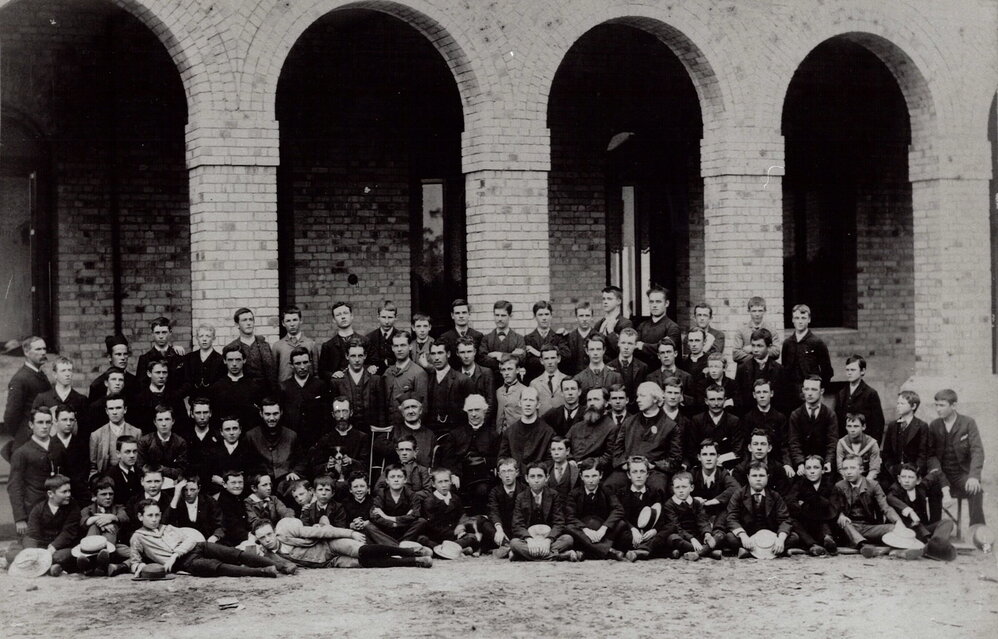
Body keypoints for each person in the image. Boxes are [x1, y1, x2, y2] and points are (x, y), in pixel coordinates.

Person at [128, 500, 280, 578]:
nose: (154, 519)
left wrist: (175, 554)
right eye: (150, 515)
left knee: (233, 553)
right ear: (140, 516)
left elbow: (190, 540)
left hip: (197, 548)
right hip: (185, 563)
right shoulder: (138, 537)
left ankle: (281, 565)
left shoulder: (167, 527)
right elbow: (135, 562)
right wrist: (144, 568)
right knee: (218, 567)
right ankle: (263, 571)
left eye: (157, 515)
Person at [253, 518, 431, 570]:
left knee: (363, 551)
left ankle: (410, 552)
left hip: (330, 545)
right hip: (329, 562)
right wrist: (265, 556)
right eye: (262, 538)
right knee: (366, 563)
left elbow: (323, 532)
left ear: (273, 531)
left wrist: (350, 532)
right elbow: (289, 568)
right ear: (258, 540)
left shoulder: (287, 530)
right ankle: (414, 562)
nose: (268, 539)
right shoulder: (270, 555)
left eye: (269, 534)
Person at [605, 381, 682, 493]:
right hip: (628, 469)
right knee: (609, 486)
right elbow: (617, 452)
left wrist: (653, 465)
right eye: (637, 396)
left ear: (655, 399)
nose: (637, 400)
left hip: (654, 471)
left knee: (657, 488)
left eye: (642, 396)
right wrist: (625, 465)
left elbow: (675, 459)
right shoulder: (628, 422)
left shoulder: (670, 426)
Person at [926, 389, 986, 527]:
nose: (938, 409)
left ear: (954, 406)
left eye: (942, 405)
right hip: (941, 474)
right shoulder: (934, 425)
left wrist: (974, 476)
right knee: (932, 489)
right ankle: (935, 530)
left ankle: (976, 531)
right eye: (936, 405)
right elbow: (931, 456)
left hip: (961, 474)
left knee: (976, 490)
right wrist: (942, 483)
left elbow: (977, 450)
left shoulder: (968, 423)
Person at [4, 475, 80, 575]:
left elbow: (68, 532)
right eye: (64, 492)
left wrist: (53, 547)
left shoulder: (73, 507)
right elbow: (32, 534)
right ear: (50, 494)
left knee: (61, 556)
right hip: (41, 547)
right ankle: (50, 567)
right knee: (12, 554)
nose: (68, 494)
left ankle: (49, 567)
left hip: (61, 547)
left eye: (69, 491)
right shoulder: (39, 509)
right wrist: (33, 553)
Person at [9, 408, 67, 536]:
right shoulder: (22, 452)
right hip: (34, 508)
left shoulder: (58, 447)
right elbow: (15, 486)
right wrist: (20, 518)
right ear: (31, 425)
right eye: (40, 422)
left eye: (48, 422)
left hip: (59, 508)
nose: (45, 426)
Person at [722, 461, 798, 558]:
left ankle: (749, 553)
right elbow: (731, 518)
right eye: (754, 476)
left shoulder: (775, 496)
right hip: (749, 537)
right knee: (730, 537)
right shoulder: (739, 495)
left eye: (762, 475)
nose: (758, 479)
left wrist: (780, 539)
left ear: (767, 477)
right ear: (748, 477)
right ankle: (777, 552)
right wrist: (743, 535)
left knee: (794, 537)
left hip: (770, 537)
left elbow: (785, 519)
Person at [438, 394, 499, 515]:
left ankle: (479, 522)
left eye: (477, 410)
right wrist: (453, 474)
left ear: (484, 411)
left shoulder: (493, 435)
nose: (474, 414)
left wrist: (486, 462)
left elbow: (497, 457)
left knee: (482, 490)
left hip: (483, 476)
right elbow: (447, 459)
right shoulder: (456, 433)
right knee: (450, 490)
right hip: (460, 475)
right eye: (470, 410)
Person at [833, 454, 903, 553]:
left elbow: (885, 507)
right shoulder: (839, 486)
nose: (848, 472)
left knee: (893, 529)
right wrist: (840, 515)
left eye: (852, 468)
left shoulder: (873, 485)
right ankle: (864, 545)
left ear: (861, 469)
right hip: (849, 527)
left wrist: (898, 522)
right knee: (844, 523)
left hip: (869, 528)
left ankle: (861, 545)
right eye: (845, 468)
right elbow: (835, 507)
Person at [509, 462, 576, 561]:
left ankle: (522, 555)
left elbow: (559, 522)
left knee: (568, 539)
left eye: (540, 476)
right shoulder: (521, 497)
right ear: (527, 478)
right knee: (514, 543)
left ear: (547, 477)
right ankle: (561, 556)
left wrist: (548, 540)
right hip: (530, 540)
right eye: (532, 476)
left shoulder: (554, 495)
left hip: (549, 539)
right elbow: (517, 524)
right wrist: (529, 539)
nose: (536, 480)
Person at [887, 463, 957, 555]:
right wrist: (910, 512)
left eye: (911, 477)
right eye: (903, 477)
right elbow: (890, 498)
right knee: (917, 528)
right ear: (899, 479)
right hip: (906, 530)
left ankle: (933, 545)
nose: (906, 481)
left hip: (923, 528)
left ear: (918, 480)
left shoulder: (922, 486)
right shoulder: (895, 489)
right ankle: (934, 547)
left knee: (947, 522)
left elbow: (937, 473)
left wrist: (946, 493)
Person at [564, 459, 626, 560]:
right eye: (587, 476)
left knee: (621, 523)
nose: (591, 480)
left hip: (602, 532)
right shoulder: (574, 494)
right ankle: (608, 551)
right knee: (569, 527)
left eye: (594, 476)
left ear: (600, 475)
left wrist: (603, 529)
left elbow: (618, 509)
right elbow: (570, 516)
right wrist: (586, 530)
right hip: (584, 533)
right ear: (581, 476)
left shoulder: (607, 491)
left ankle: (588, 552)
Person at [244, 398, 304, 498]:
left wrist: (295, 472)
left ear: (281, 413)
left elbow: (301, 460)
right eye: (267, 414)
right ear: (261, 414)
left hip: (286, 482)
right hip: (261, 483)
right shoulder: (251, 436)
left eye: (275, 413)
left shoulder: (291, 435)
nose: (272, 418)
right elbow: (247, 464)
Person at [612, 456, 666, 561]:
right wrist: (633, 529)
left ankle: (640, 551)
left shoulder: (655, 493)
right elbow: (621, 516)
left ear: (648, 474)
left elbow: (661, 517)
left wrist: (654, 530)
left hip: (649, 534)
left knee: (666, 532)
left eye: (642, 472)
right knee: (620, 534)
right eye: (635, 472)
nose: (639, 475)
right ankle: (647, 550)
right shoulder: (621, 494)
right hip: (631, 533)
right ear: (628, 475)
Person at [414, 468, 478, 555]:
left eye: (446, 481)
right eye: (440, 482)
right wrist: (453, 532)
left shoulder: (455, 498)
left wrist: (461, 525)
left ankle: (447, 550)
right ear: (433, 484)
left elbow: (462, 515)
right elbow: (432, 526)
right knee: (421, 539)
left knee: (472, 537)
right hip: (436, 537)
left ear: (451, 482)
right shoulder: (429, 501)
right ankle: (451, 549)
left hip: (454, 537)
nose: (444, 485)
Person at [786, 455, 840, 556]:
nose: (812, 471)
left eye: (816, 468)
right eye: (808, 468)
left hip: (823, 522)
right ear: (804, 471)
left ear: (823, 470)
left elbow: (832, 509)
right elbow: (790, 502)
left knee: (824, 523)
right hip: (805, 523)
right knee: (793, 522)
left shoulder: (829, 486)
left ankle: (828, 539)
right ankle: (813, 545)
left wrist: (807, 502)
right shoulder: (799, 484)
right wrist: (806, 507)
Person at [3, 336, 51, 451]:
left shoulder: (40, 375)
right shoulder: (20, 379)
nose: (43, 352)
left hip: (41, 436)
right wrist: (22, 434)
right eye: (38, 349)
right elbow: (11, 416)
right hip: (27, 440)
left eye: (44, 349)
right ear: (26, 352)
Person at [780, 304, 833, 404]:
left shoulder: (817, 343)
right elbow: (785, 369)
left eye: (803, 318)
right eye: (797, 318)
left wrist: (818, 389)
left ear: (809, 320)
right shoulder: (787, 343)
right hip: (791, 393)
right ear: (792, 320)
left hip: (810, 393)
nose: (800, 321)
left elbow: (827, 371)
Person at [310, 397, 370, 483]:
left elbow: (365, 466)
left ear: (351, 413)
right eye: (337, 412)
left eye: (345, 411)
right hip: (330, 484)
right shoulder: (325, 439)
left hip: (355, 482)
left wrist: (351, 461)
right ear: (333, 415)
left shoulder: (362, 437)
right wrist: (327, 465)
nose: (341, 416)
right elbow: (315, 468)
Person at [330, 338, 383, 435]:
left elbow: (381, 411)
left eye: (360, 355)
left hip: (370, 431)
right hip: (347, 432)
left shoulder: (375, 379)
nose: (357, 360)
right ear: (347, 356)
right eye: (353, 356)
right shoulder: (337, 381)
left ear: (365, 356)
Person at [690, 439, 740, 542]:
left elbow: (736, 488)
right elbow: (677, 488)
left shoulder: (722, 473)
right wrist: (693, 499)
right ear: (699, 457)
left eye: (712, 454)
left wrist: (714, 500)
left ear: (718, 457)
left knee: (727, 508)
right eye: (705, 454)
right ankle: (710, 543)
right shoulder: (694, 473)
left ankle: (715, 538)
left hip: (718, 515)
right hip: (699, 516)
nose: (708, 458)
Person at [660, 472, 717, 560]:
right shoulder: (669, 504)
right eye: (677, 487)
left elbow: (702, 521)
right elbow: (676, 526)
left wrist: (707, 533)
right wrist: (691, 539)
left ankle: (693, 551)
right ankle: (706, 551)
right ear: (673, 489)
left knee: (717, 535)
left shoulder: (696, 503)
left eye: (684, 487)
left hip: (696, 535)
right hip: (680, 535)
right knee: (672, 538)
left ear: (691, 488)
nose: (681, 490)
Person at [788, 375, 838, 475]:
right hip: (802, 468)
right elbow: (794, 442)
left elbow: (832, 442)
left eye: (814, 389)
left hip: (823, 466)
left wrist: (828, 462)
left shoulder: (829, 415)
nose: (809, 393)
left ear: (822, 391)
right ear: (803, 390)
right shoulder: (796, 415)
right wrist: (800, 463)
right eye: (807, 389)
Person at [740, 379, 793, 474]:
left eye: (765, 392)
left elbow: (784, 445)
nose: (762, 395)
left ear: (771, 393)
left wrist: (787, 464)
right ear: (754, 395)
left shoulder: (780, 417)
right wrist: (747, 465)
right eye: (758, 392)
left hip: (775, 462)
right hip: (754, 463)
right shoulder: (748, 418)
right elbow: (745, 445)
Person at [880, 390, 930, 489]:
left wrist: (915, 471)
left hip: (914, 471)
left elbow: (923, 454)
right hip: (894, 472)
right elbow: (886, 452)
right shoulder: (892, 425)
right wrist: (892, 468)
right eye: (897, 403)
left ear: (913, 406)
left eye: (902, 403)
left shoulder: (921, 426)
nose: (898, 406)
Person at [281, 345, 331, 445]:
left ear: (310, 362)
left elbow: (327, 415)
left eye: (305, 362)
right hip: (292, 441)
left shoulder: (320, 385)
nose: (302, 367)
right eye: (298, 363)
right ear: (291, 365)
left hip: (315, 440)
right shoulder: (284, 387)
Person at [209, 345, 266, 432]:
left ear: (244, 360)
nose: (234, 364)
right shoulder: (216, 387)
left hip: (249, 434)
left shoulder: (254, 386)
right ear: (224, 361)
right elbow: (214, 417)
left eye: (238, 359)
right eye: (230, 360)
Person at [498, 387, 556, 470]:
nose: (528, 404)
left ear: (538, 404)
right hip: (515, 478)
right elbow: (502, 457)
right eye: (525, 400)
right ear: (519, 403)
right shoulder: (510, 432)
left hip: (538, 478)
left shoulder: (548, 432)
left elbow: (550, 459)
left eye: (531, 400)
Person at [685, 385, 742, 469]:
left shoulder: (734, 421)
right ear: (706, 401)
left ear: (725, 400)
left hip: (727, 467)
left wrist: (721, 460)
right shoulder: (697, 420)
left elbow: (738, 449)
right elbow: (692, 449)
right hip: (702, 466)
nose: (716, 403)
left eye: (719, 399)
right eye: (712, 399)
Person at [733, 328, 787, 415]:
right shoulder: (742, 368)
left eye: (759, 346)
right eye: (753, 345)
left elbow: (782, 398)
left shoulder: (779, 369)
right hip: (748, 418)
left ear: (769, 347)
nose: (755, 350)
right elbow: (737, 396)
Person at [367, 464, 425, 545]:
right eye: (392, 477)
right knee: (368, 525)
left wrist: (387, 517)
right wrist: (393, 524)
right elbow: (374, 516)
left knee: (421, 521)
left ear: (405, 480)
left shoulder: (411, 495)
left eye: (399, 476)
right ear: (387, 480)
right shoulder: (382, 494)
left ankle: (395, 545)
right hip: (386, 530)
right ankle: (400, 546)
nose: (396, 480)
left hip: (405, 531)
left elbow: (415, 514)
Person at [79, 475, 131, 566]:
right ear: (94, 496)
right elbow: (83, 522)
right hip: (92, 545)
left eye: (111, 494)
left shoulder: (118, 508)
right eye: (103, 494)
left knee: (112, 527)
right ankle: (96, 562)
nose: (108, 497)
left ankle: (97, 562)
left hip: (113, 544)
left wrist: (112, 517)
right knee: (93, 526)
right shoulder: (88, 509)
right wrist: (100, 520)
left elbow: (124, 518)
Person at [565, 387, 617, 474]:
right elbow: (564, 444)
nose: (592, 403)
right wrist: (570, 458)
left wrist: (586, 464)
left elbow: (609, 457)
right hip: (571, 469)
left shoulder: (611, 427)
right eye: (589, 400)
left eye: (596, 399)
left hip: (594, 472)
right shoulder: (577, 426)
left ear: (606, 403)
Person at [426, 341, 473, 436]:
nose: (436, 357)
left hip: (456, 434)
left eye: (440, 353)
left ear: (448, 354)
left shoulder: (463, 380)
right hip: (433, 433)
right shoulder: (428, 379)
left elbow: (471, 412)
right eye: (433, 354)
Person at [383, 330, 428, 428]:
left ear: (410, 346)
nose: (399, 349)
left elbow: (423, 408)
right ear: (392, 348)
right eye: (396, 346)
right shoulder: (388, 372)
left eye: (403, 345)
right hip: (389, 427)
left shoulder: (418, 373)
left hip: (408, 429)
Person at [207, 417, 263, 495]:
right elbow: (208, 475)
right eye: (227, 429)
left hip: (242, 493)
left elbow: (252, 475)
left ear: (240, 430)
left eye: (235, 428)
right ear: (221, 432)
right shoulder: (212, 450)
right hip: (218, 493)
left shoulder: (249, 450)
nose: (232, 432)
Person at [836, 355, 885, 441]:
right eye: (847, 370)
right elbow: (837, 421)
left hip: (864, 443)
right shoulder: (841, 393)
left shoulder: (870, 394)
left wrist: (872, 446)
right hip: (845, 443)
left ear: (862, 371)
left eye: (853, 370)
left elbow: (878, 424)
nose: (849, 373)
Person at [31, 356, 87, 432]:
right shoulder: (42, 399)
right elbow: (34, 427)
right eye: (63, 370)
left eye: (69, 370)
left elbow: (85, 430)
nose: (67, 374)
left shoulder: (81, 400)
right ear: (55, 374)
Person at [131, 359, 186, 435]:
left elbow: (182, 424)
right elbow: (136, 425)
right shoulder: (140, 399)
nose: (161, 376)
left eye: (164, 373)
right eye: (158, 372)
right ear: (149, 373)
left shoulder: (176, 397)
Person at [481, 458, 523, 557]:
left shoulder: (524, 490)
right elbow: (493, 511)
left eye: (510, 471)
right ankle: (508, 546)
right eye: (503, 472)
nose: (507, 475)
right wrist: (499, 530)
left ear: (517, 472)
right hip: (502, 530)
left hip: (519, 528)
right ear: (499, 475)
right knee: (483, 522)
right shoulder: (495, 492)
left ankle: (508, 548)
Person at [318, 301, 367, 384]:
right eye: (338, 315)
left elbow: (371, 366)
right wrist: (333, 374)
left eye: (345, 313)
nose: (343, 317)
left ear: (352, 316)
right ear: (334, 320)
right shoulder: (328, 346)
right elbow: (322, 372)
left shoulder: (365, 341)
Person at [50, 404, 91, 503]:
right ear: (55, 422)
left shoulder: (82, 445)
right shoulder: (49, 444)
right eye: (64, 420)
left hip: (79, 496)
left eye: (71, 420)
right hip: (55, 496)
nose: (68, 423)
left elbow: (85, 473)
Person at [732, 429, 791, 496]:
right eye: (755, 444)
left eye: (763, 444)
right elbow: (739, 496)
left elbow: (782, 496)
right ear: (749, 447)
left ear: (769, 448)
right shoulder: (740, 470)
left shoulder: (778, 469)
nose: (759, 448)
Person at [634, 285, 683, 365]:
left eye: (658, 301)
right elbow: (634, 346)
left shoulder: (672, 327)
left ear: (666, 303)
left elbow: (666, 348)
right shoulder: (642, 326)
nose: (654, 305)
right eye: (651, 301)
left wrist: (642, 346)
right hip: (644, 372)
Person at [135, 317, 186, 394]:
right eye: (157, 333)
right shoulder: (145, 359)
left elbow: (186, 383)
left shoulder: (178, 355)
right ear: (152, 334)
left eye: (164, 332)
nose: (161, 336)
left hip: (175, 401)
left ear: (170, 332)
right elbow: (141, 385)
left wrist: (174, 396)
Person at [136, 405, 188, 480]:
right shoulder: (145, 441)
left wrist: (159, 468)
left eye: (167, 419)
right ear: (155, 422)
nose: (164, 424)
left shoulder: (180, 442)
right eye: (160, 420)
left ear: (173, 421)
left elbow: (181, 471)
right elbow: (140, 468)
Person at [272, 306, 321, 383]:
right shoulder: (277, 346)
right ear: (283, 323)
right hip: (285, 390)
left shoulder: (311, 344)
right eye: (288, 321)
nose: (292, 324)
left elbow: (316, 372)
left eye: (295, 320)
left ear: (300, 321)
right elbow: (273, 374)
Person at [168, 474, 224, 542]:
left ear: (199, 488)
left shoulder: (209, 501)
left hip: (206, 542)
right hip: (181, 542)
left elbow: (220, 525)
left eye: (192, 490)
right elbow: (165, 523)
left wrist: (214, 537)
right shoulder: (175, 502)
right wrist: (176, 495)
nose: (188, 493)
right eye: (185, 490)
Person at [524, 301, 569, 383]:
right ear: (534, 317)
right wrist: (552, 358)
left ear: (551, 316)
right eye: (540, 315)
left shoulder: (558, 337)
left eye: (547, 314)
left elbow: (566, 356)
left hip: (556, 382)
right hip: (533, 381)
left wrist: (538, 353)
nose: (544, 318)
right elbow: (528, 363)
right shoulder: (527, 339)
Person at [478, 300, 527, 374]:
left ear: (510, 316)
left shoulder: (519, 338)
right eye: (497, 315)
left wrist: (500, 355)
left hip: (513, 380)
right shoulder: (486, 338)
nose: (499, 319)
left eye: (503, 315)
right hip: (492, 380)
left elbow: (521, 360)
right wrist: (511, 356)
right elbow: (482, 360)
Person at [456, 337, 496, 427]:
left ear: (475, 352)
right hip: (462, 427)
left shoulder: (486, 373)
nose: (466, 356)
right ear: (457, 353)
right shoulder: (455, 376)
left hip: (484, 425)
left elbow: (491, 403)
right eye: (462, 352)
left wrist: (479, 424)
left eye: (469, 351)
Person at [180, 397, 219, 487]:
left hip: (213, 487)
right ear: (192, 414)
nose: (202, 417)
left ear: (210, 413)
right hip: (189, 486)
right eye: (198, 413)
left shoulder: (219, 437)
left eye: (205, 412)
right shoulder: (184, 438)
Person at [730, 296, 783, 364]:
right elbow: (736, 355)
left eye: (760, 311)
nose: (757, 314)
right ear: (749, 311)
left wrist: (751, 348)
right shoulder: (741, 331)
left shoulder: (771, 330)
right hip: (746, 370)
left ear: (764, 311)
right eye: (754, 311)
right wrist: (758, 357)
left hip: (766, 370)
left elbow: (776, 352)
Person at [645, 339, 693, 410]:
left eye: (669, 352)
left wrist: (681, 398)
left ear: (675, 353)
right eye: (662, 353)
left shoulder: (686, 377)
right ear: (658, 356)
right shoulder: (650, 378)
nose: (666, 355)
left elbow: (692, 401)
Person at [88, 335, 137, 405]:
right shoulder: (98, 385)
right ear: (110, 357)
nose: (123, 358)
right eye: (118, 354)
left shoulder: (135, 382)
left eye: (125, 354)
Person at [572, 334, 624, 399]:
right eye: (592, 349)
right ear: (587, 351)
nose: (595, 353)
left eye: (598, 349)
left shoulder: (616, 377)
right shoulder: (578, 378)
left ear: (604, 350)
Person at [438, 299, 484, 370]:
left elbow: (480, 360)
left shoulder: (478, 336)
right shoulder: (445, 337)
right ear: (452, 315)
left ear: (469, 314)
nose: (461, 316)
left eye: (464, 312)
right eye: (457, 313)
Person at [607, 328, 648, 408]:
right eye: (623, 343)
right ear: (618, 343)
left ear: (635, 345)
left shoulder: (643, 367)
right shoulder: (609, 367)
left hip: (636, 411)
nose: (626, 347)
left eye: (630, 343)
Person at [182, 324, 225, 399]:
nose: (204, 339)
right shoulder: (189, 358)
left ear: (213, 338)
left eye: (208, 336)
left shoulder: (220, 359)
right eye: (201, 336)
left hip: (215, 402)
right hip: (194, 401)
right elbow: (186, 381)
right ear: (197, 338)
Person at [835, 413, 882, 482]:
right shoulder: (842, 443)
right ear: (846, 427)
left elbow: (874, 469)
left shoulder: (872, 443)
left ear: (863, 427)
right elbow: (840, 468)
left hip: (867, 477)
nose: (852, 429)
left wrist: (865, 484)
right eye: (849, 426)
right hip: (847, 477)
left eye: (856, 426)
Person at [529, 342, 569, 416]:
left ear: (558, 359)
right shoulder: (534, 383)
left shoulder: (567, 380)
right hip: (542, 424)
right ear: (541, 361)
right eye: (546, 358)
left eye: (553, 358)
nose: (550, 362)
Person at [86, 368, 129, 434]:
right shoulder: (95, 407)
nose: (117, 383)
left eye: (120, 380)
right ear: (106, 383)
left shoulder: (129, 404)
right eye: (113, 379)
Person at [216, 470, 251, 546]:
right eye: (233, 483)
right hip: (231, 542)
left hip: (243, 535)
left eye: (240, 482)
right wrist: (250, 536)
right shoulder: (224, 502)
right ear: (224, 484)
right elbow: (232, 527)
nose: (237, 486)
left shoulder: (239, 496)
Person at [364, 301, 399, 376]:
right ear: (378, 317)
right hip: (375, 379)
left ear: (396, 317)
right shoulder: (369, 338)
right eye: (383, 317)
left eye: (390, 317)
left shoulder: (400, 337)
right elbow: (364, 362)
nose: (386, 322)